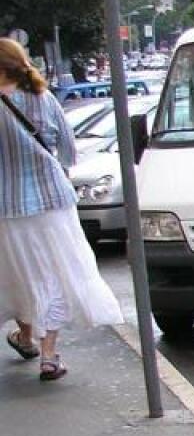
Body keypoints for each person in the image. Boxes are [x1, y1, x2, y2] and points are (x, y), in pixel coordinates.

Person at [0, 39, 122, 381]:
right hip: (53, 202)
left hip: (7, 207)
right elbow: (68, 152)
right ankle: (48, 354)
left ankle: (26, 336)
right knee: (56, 272)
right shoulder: (44, 98)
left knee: (17, 275)